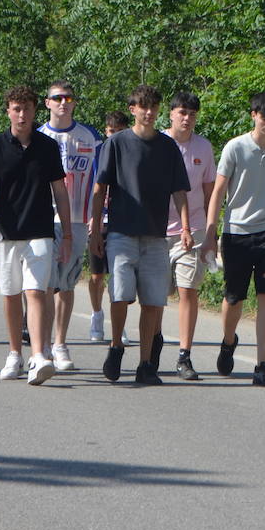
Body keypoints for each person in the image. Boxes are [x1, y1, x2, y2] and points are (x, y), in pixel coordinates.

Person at [88, 84, 191, 385]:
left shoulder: (167, 146)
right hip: (121, 232)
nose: (148, 112)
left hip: (156, 236)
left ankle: (146, 363)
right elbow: (99, 189)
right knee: (120, 295)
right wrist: (96, 229)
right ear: (132, 109)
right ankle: (116, 345)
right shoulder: (116, 143)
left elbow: (180, 191)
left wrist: (184, 227)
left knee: (154, 301)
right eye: (142, 107)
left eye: (153, 107)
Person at [0, 85, 74, 386]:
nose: (22, 114)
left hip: (40, 231)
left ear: (34, 111)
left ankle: (39, 355)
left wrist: (67, 235)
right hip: (5, 232)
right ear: (8, 111)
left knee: (36, 292)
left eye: (27, 109)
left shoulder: (47, 146)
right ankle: (14, 353)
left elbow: (60, 191)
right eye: (16, 109)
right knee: (11, 294)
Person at [205, 91, 265, 386]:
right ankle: (228, 340)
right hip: (236, 233)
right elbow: (218, 191)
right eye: (264, 118)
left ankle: (262, 365)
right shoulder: (235, 148)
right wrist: (210, 230)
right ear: (253, 115)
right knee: (234, 298)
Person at [37, 80, 101, 372]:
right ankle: (44, 346)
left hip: (77, 219)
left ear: (74, 103)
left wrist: (95, 219)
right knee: (45, 284)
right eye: (57, 98)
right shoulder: (38, 136)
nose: (63, 102)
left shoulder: (90, 137)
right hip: (42, 220)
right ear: (47, 102)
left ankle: (61, 344)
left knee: (67, 284)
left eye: (68, 98)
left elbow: (101, 182)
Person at [160, 92, 217, 380]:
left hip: (192, 229)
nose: (187, 118)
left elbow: (210, 193)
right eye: (182, 112)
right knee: (156, 294)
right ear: (170, 114)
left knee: (188, 290)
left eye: (192, 113)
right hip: (158, 229)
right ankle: (153, 344)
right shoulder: (157, 143)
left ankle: (184, 355)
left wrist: (211, 232)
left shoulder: (204, 148)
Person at [88, 111, 129, 342]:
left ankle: (118, 322)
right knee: (96, 276)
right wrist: (91, 216)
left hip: (120, 222)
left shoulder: (130, 153)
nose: (115, 137)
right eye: (111, 132)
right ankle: (96, 314)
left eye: (120, 132)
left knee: (118, 275)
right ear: (106, 132)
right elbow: (91, 187)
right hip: (98, 221)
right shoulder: (98, 153)